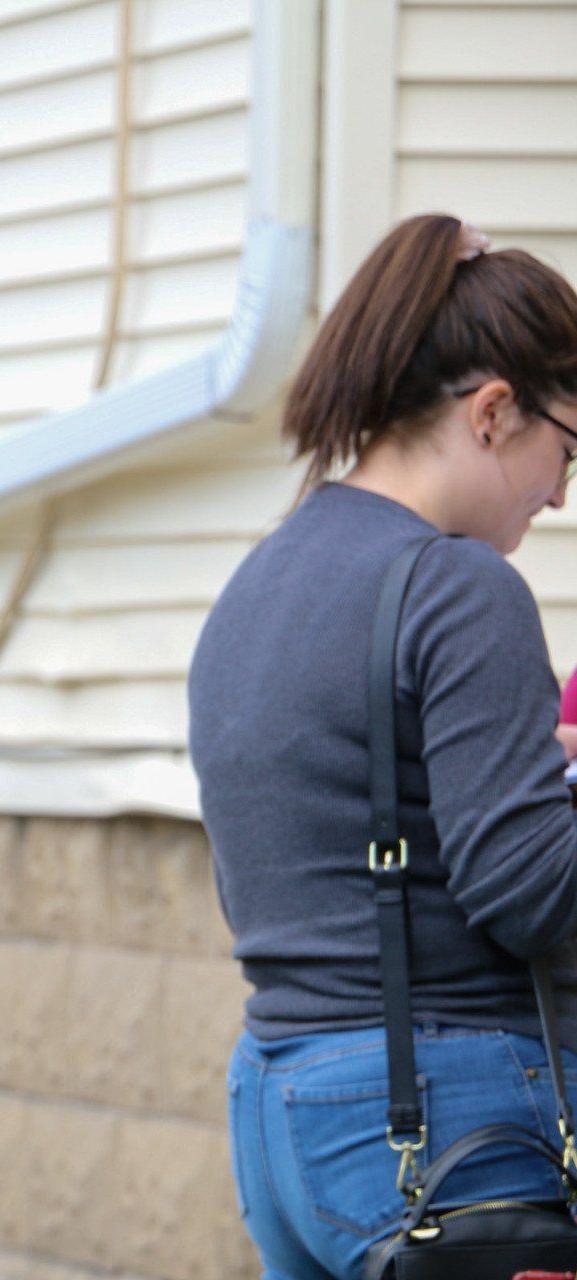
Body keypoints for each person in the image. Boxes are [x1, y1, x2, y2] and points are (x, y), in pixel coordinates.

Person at [189, 212, 577, 1278]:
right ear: (496, 410)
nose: (558, 491)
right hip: (452, 1122)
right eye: (568, 449)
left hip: (282, 1110)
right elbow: (531, 887)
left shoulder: (260, 583)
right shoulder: (460, 585)